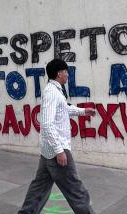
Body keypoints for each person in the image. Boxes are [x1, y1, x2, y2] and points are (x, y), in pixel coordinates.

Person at [18, 59, 97, 214]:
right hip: (56, 149)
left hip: (49, 150)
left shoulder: (55, 91)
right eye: (66, 71)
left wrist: (82, 111)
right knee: (76, 191)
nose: (67, 74)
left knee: (38, 189)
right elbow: (47, 123)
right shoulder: (52, 92)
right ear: (59, 73)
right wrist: (59, 150)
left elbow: (63, 108)